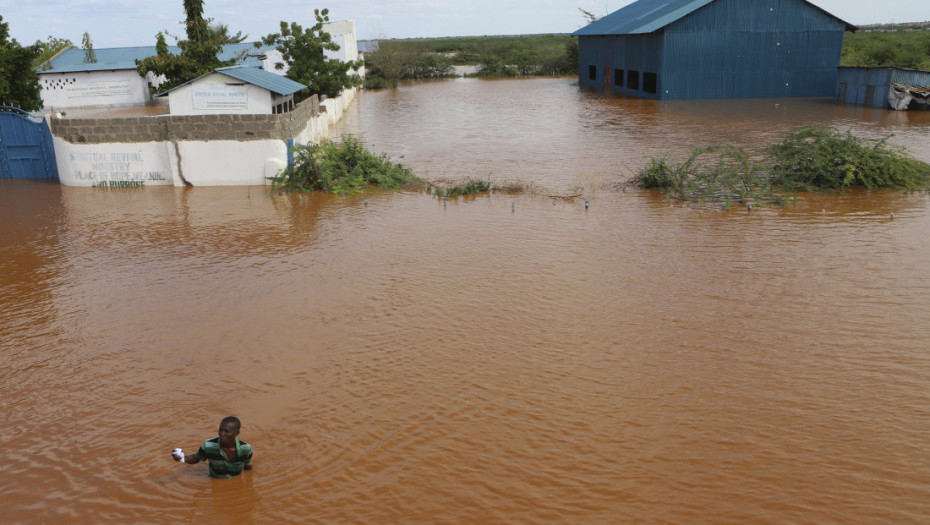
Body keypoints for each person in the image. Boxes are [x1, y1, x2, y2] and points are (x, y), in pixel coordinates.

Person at [172, 416, 253, 478]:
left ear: (237, 433)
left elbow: (248, 468)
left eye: (226, 431)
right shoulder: (208, 446)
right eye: (220, 430)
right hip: (215, 479)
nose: (222, 433)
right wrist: (182, 458)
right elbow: (196, 458)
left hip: (236, 482)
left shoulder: (246, 449)